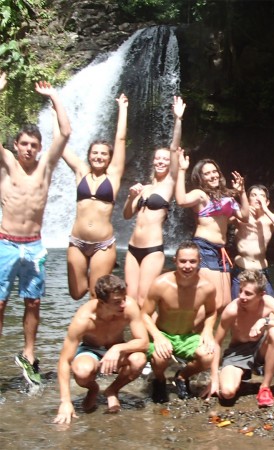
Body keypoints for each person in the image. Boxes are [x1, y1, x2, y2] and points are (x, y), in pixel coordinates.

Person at [0, 73, 71, 384]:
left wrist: (54, 97)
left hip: (34, 245)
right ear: (16, 146)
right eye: (24, 144)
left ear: (40, 148)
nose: (29, 149)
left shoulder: (46, 167)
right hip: (4, 242)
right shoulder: (6, 165)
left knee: (34, 301)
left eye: (34, 145)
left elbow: (66, 132)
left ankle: (29, 353)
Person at [53, 274, 148, 424]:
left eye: (124, 298)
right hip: (91, 350)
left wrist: (117, 348)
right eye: (117, 302)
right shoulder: (84, 319)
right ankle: (93, 389)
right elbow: (64, 360)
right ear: (102, 302)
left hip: (117, 350)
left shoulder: (129, 307)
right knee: (81, 372)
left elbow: (144, 342)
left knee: (139, 359)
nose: (123, 304)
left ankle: (112, 390)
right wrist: (65, 402)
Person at [61, 93, 128, 300]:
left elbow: (121, 138)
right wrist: (56, 108)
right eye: (95, 153)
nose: (98, 156)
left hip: (103, 244)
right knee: (76, 293)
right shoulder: (81, 171)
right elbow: (61, 144)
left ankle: (90, 332)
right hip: (77, 242)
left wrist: (123, 109)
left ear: (109, 158)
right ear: (89, 155)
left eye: (103, 154)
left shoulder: (114, 174)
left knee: (95, 295)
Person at [203, 269, 274, 407]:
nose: (242, 296)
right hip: (238, 354)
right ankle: (236, 373)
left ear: (261, 294)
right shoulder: (232, 310)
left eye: (248, 293)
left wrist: (265, 322)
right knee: (227, 393)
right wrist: (214, 379)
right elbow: (216, 343)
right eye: (240, 291)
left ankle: (265, 387)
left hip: (261, 348)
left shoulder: (269, 303)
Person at [123, 96, 185, 307]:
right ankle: (135, 336)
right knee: (130, 299)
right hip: (132, 247)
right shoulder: (145, 188)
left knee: (143, 298)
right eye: (158, 158)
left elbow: (175, 149)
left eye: (164, 159)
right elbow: (127, 214)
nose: (161, 161)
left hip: (152, 248)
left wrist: (178, 119)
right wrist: (132, 197)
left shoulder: (169, 183)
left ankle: (150, 337)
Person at [141, 240, 216, 403]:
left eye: (192, 261)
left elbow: (211, 312)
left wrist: (208, 330)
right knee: (160, 358)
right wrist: (158, 337)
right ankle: (159, 380)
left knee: (208, 356)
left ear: (199, 262)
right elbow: (145, 314)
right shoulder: (161, 284)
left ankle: (182, 376)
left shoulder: (207, 287)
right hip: (162, 333)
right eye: (183, 261)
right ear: (175, 260)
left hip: (186, 337)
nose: (187, 266)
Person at [175, 151, 249, 313]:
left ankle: (208, 336)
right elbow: (181, 201)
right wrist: (181, 170)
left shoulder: (227, 196)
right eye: (207, 173)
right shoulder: (201, 195)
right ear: (201, 178)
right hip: (205, 248)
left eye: (214, 171)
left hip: (221, 250)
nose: (212, 175)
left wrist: (242, 192)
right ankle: (197, 335)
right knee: (212, 303)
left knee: (225, 303)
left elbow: (244, 216)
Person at [230, 184, 274, 299]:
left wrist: (266, 211)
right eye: (254, 195)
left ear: (267, 202)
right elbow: (221, 218)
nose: (258, 198)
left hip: (261, 272)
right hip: (241, 270)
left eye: (261, 196)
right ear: (248, 198)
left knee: (269, 306)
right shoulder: (240, 217)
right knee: (238, 307)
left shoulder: (270, 219)